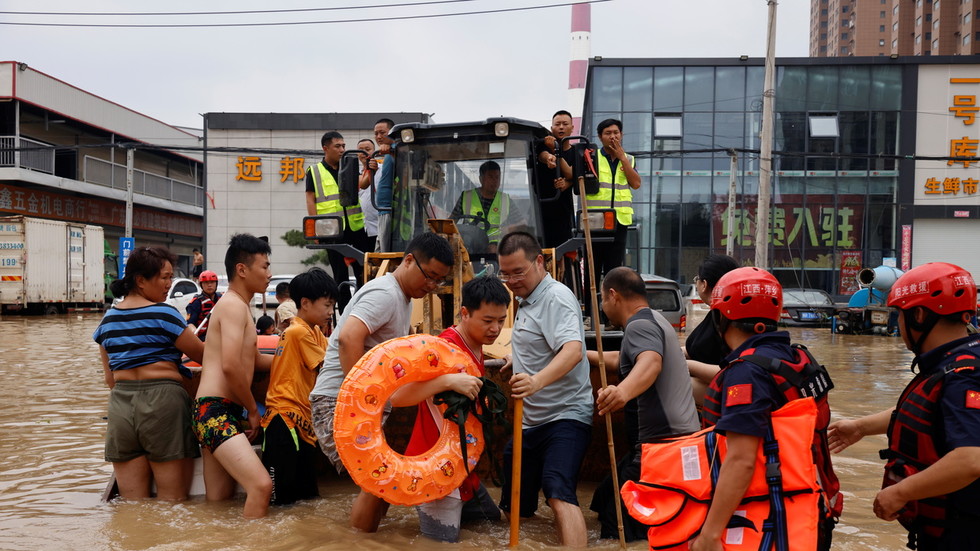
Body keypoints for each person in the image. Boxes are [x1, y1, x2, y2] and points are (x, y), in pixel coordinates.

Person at [828, 262, 980, 551]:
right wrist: (860, 428)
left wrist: (899, 493)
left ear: (919, 316)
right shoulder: (954, 363)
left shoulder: (964, 377)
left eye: (900, 315)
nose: (897, 325)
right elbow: (924, 413)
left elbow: (971, 458)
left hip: (963, 535)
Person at [309, 231, 454, 532]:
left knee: (383, 481)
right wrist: (359, 402)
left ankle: (373, 536)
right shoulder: (385, 294)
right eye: (430, 276)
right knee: (377, 480)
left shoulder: (401, 298)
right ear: (409, 260)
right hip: (338, 403)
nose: (432, 286)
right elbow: (349, 337)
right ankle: (359, 541)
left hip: (355, 405)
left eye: (439, 281)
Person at [691, 267, 840, 551]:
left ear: (721, 318)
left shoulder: (746, 373)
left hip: (773, 522)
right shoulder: (797, 357)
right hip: (810, 512)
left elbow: (741, 460)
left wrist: (710, 535)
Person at [587, 267, 700, 541]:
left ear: (613, 295)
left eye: (602, 300)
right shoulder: (656, 321)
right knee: (603, 499)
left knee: (618, 526)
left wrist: (621, 392)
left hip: (664, 448)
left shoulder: (639, 326)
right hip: (681, 443)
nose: (603, 307)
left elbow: (650, 362)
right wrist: (577, 353)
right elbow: (622, 359)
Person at [394, 276, 509, 542]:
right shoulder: (440, 348)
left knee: (492, 524)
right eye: (488, 321)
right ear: (465, 313)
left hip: (462, 465)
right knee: (440, 544)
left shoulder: (476, 344)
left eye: (501, 321)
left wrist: (505, 358)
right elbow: (398, 397)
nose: (495, 329)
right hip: (435, 466)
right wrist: (446, 381)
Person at [496, 231, 593, 548]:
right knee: (515, 503)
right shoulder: (528, 298)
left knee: (557, 489)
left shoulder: (555, 297)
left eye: (518, 272)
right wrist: (518, 360)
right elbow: (541, 343)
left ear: (539, 262)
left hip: (565, 415)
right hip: (530, 421)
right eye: (505, 273)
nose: (511, 280)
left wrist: (536, 380)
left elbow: (572, 350)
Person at [93, 246, 205, 501]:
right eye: (164, 277)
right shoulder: (164, 314)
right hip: (163, 403)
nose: (169, 284)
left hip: (121, 408)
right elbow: (203, 355)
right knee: (172, 502)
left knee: (133, 506)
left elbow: (110, 379)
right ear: (141, 280)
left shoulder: (107, 321)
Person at [193, 233, 275, 519]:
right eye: (264, 267)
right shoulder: (231, 306)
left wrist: (292, 359)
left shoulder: (240, 306)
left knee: (219, 504)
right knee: (262, 486)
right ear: (242, 269)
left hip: (215, 410)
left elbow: (253, 360)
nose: (269, 273)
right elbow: (230, 365)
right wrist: (253, 410)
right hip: (215, 410)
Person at [260, 267, 338, 506]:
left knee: (307, 498)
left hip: (301, 421)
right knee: (280, 502)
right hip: (284, 421)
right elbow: (330, 366)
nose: (330, 312)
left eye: (332, 306)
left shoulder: (313, 331)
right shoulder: (298, 332)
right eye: (326, 305)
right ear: (305, 302)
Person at [305, 130, 368, 313]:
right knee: (340, 274)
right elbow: (311, 199)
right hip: (331, 230)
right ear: (325, 148)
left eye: (343, 146)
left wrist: (368, 169)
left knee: (362, 271)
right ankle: (345, 312)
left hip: (355, 227)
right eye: (337, 146)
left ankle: (363, 308)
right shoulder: (315, 171)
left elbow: (362, 185)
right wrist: (315, 228)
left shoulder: (349, 166)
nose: (342, 149)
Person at [586, 118, 641, 279]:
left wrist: (622, 158)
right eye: (608, 133)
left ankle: (612, 303)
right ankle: (591, 304)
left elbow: (636, 183)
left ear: (622, 135)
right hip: (595, 221)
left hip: (620, 221)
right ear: (600, 136)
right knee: (592, 270)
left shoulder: (629, 159)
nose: (613, 137)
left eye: (616, 133)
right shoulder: (592, 157)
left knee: (614, 271)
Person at [684, 254, 740, 404]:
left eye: (697, 279)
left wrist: (686, 366)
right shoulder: (717, 314)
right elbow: (695, 349)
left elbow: (736, 371)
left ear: (704, 284)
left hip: (728, 394)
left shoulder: (729, 318)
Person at [451, 161, 524, 252]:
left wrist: (508, 229)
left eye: (497, 177)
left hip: (498, 251)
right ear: (481, 179)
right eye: (490, 177)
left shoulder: (506, 200)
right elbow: (451, 221)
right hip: (470, 248)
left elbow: (522, 224)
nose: (495, 181)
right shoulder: (466, 197)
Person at [535, 110, 576, 248]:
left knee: (563, 250)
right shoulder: (542, 144)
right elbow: (542, 155)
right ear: (551, 128)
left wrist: (567, 183)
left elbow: (571, 174)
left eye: (565, 124)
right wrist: (549, 157)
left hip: (563, 213)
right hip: (541, 209)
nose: (561, 127)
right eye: (557, 124)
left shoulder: (576, 152)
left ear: (572, 128)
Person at [373, 118, 396, 252]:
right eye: (376, 133)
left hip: (388, 208)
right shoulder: (386, 153)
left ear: (392, 132)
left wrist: (391, 150)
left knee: (385, 252)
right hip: (382, 209)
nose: (379, 137)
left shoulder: (398, 150)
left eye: (382, 132)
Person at [357, 138, 379, 254]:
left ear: (374, 151)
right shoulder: (356, 173)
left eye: (367, 149)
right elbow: (363, 185)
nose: (364, 153)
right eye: (360, 150)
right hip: (362, 227)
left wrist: (373, 170)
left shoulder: (382, 169)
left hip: (378, 226)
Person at [186, 269, 222, 341]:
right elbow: (190, 324)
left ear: (216, 283)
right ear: (201, 285)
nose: (209, 285)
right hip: (203, 339)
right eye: (206, 282)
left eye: (212, 282)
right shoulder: (196, 302)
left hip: (221, 336)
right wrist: (193, 331)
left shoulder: (222, 299)